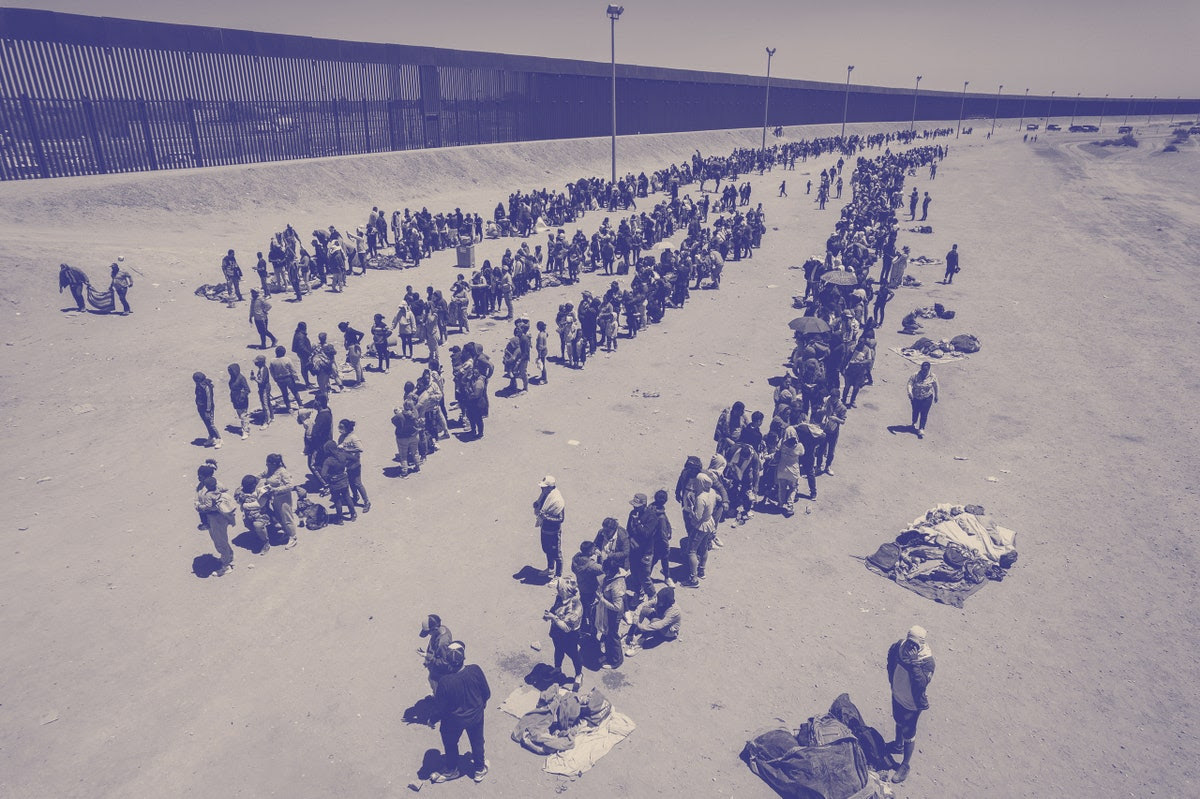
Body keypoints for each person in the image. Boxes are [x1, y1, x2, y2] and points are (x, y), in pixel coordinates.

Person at [431, 642, 491, 784]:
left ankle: (452, 769)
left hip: (454, 721)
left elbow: (440, 708)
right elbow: (486, 693)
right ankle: (479, 769)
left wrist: (432, 720)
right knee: (477, 742)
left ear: (447, 662)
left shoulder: (444, 682)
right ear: (464, 657)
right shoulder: (475, 670)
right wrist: (480, 705)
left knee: (450, 743)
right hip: (476, 716)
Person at [887, 625, 935, 784]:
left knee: (909, 732)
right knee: (898, 720)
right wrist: (893, 683)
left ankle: (905, 765)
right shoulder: (898, 647)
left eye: (915, 645)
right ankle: (897, 746)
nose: (910, 647)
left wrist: (914, 663)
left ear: (921, 644)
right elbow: (890, 661)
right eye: (909, 642)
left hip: (912, 705)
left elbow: (921, 684)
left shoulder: (926, 661)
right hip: (897, 695)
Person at [544, 575, 583, 687]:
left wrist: (553, 618)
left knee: (573, 655)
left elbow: (567, 628)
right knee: (558, 650)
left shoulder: (576, 607)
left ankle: (579, 674)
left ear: (565, 591)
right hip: (557, 632)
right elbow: (555, 608)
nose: (557, 591)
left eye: (559, 589)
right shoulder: (560, 597)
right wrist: (549, 614)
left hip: (569, 636)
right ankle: (557, 669)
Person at [623, 586, 681, 656]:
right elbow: (643, 605)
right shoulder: (659, 600)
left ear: (666, 602)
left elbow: (660, 624)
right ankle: (630, 634)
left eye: (660, 600)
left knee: (654, 621)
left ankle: (639, 643)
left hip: (668, 631)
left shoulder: (674, 611)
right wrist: (636, 617)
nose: (657, 601)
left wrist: (642, 627)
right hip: (659, 620)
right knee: (644, 610)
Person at [195, 475, 235, 576]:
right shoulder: (218, 488)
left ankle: (226, 566)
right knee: (221, 540)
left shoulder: (209, 495)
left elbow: (208, 507)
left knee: (220, 541)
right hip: (220, 518)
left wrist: (199, 507)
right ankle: (228, 556)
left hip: (216, 519)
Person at [260, 453, 299, 549]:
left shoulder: (282, 472)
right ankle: (286, 533)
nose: (266, 465)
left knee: (287, 518)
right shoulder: (270, 470)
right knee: (279, 517)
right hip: (275, 499)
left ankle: (293, 537)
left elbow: (290, 486)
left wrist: (275, 490)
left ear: (273, 463)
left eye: (268, 463)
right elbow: (261, 475)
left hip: (284, 499)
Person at [533, 475, 566, 578]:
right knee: (547, 550)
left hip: (554, 532)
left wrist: (546, 517)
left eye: (544, 487)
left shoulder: (557, 501)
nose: (541, 488)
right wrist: (536, 505)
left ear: (550, 487)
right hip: (545, 529)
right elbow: (540, 505)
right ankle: (550, 569)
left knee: (557, 554)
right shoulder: (545, 494)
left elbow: (560, 519)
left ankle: (558, 576)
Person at [571, 540, 603, 638]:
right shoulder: (591, 566)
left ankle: (582, 622)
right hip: (591, 589)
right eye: (593, 549)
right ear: (589, 552)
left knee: (583, 604)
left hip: (582, 586)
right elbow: (602, 569)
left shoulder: (576, 558)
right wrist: (599, 556)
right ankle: (591, 629)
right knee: (592, 609)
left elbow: (573, 569)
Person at [337, 419, 370, 513]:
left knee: (358, 483)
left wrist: (346, 450)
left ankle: (366, 502)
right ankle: (355, 497)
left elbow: (360, 449)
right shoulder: (341, 437)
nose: (340, 429)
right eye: (339, 427)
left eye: (342, 427)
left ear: (347, 428)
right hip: (346, 465)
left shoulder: (353, 437)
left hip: (355, 464)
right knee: (351, 483)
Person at [420, 613, 454, 694]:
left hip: (440, 671)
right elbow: (432, 646)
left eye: (429, 632)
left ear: (435, 629)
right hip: (435, 664)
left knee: (436, 686)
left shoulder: (442, 642)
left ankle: (439, 700)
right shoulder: (442, 629)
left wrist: (427, 656)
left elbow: (444, 662)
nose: (429, 634)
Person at [906, 361, 939, 439]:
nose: (924, 372)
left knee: (924, 413)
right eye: (923, 370)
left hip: (927, 398)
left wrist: (936, 396)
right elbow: (909, 384)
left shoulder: (933, 376)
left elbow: (936, 386)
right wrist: (910, 392)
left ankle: (921, 428)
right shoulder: (915, 375)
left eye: (926, 370)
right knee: (915, 411)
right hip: (915, 397)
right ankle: (914, 422)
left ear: (929, 369)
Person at [268, 346, 304, 411]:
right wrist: (296, 377)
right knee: (295, 392)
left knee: (284, 394)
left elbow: (271, 371)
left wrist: (274, 378)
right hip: (288, 378)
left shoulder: (272, 361)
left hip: (279, 379)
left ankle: (289, 408)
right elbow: (292, 369)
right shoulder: (287, 359)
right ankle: (300, 405)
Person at [192, 371, 222, 449]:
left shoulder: (206, 386)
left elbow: (209, 399)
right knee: (207, 423)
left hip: (208, 408)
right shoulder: (198, 385)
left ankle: (219, 439)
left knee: (211, 424)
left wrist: (208, 410)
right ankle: (211, 437)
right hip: (201, 408)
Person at [227, 363, 251, 440]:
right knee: (240, 415)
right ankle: (244, 427)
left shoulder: (241, 378)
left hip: (242, 400)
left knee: (244, 416)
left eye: (231, 371)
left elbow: (247, 389)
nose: (230, 373)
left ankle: (246, 431)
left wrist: (242, 397)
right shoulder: (232, 378)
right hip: (235, 399)